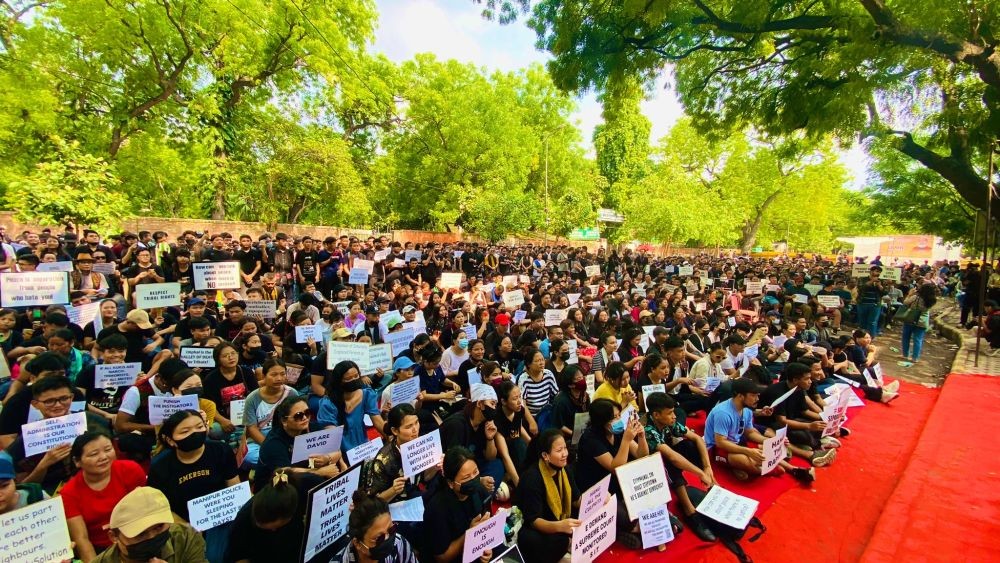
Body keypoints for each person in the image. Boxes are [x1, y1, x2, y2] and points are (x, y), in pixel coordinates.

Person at [147, 409, 239, 562]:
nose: (195, 433)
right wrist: (188, 528)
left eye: (199, 426)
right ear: (170, 440)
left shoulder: (221, 450)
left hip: (220, 517)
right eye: (185, 431)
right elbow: (161, 507)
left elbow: (233, 486)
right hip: (183, 525)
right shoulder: (160, 465)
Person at [704, 378, 815, 483]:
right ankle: (757, 468)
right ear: (740, 396)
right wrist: (748, 451)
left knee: (764, 451)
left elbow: (750, 432)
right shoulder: (723, 413)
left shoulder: (746, 410)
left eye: (757, 395)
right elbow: (720, 443)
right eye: (753, 395)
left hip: (736, 443)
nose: (757, 399)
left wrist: (773, 441)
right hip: (716, 449)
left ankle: (794, 469)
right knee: (750, 461)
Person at [574, 398, 650, 548]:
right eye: (614, 417)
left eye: (618, 415)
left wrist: (641, 437)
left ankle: (631, 528)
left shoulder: (619, 432)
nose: (618, 419)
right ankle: (622, 530)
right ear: (602, 421)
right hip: (597, 487)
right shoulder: (590, 439)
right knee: (629, 519)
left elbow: (642, 455)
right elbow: (615, 468)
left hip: (619, 483)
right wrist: (627, 441)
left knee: (646, 500)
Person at [62, 431, 146, 562]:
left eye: (108, 449)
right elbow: (81, 538)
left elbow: (146, 511)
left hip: (139, 538)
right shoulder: (69, 493)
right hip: (101, 550)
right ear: (77, 461)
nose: (103, 457)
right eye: (94, 454)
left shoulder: (131, 469)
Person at [643, 392, 716, 542]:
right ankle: (690, 512)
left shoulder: (669, 422)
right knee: (668, 463)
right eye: (669, 413)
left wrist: (707, 467)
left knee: (690, 445)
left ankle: (713, 487)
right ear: (656, 415)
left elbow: (697, 438)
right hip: (648, 469)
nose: (674, 416)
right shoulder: (648, 430)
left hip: (666, 457)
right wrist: (699, 473)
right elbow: (671, 456)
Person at [513, 429, 581, 562]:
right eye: (559, 450)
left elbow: (575, 500)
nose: (565, 454)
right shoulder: (531, 478)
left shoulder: (565, 468)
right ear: (545, 455)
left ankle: (566, 543)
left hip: (561, 519)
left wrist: (598, 498)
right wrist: (560, 526)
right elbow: (534, 521)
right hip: (538, 527)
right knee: (532, 540)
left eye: (565, 448)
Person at [92, 486, 208, 563]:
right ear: (114, 536)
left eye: (159, 527)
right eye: (140, 534)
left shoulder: (185, 538)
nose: (152, 537)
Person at [423, 446, 496, 563]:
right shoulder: (437, 509)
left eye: (475, 472)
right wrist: (470, 535)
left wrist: (487, 548)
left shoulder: (480, 490)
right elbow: (442, 557)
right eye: (466, 477)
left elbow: (487, 525)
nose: (473, 479)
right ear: (451, 483)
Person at [254, 395, 343, 489]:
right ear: (284, 421)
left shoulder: (311, 428)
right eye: (298, 416)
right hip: (276, 489)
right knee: (316, 480)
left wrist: (326, 458)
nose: (305, 418)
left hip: (303, 477)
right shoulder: (273, 443)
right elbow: (284, 472)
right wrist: (319, 472)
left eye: (307, 413)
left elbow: (337, 450)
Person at [225, 469, 305, 563]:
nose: (273, 530)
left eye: (276, 527)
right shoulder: (242, 521)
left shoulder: (297, 495)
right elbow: (238, 557)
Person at [439, 384, 502, 491]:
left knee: (496, 464)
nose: (494, 408)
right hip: (455, 473)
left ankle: (482, 493)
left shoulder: (485, 422)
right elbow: (453, 464)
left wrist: (490, 438)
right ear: (480, 404)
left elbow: (490, 457)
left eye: (495, 405)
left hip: (473, 466)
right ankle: (480, 495)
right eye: (492, 404)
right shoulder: (456, 425)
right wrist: (478, 480)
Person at [317, 360, 384, 454]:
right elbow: (332, 439)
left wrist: (390, 437)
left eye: (356, 376)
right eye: (348, 378)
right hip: (340, 452)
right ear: (339, 381)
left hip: (363, 448)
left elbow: (377, 421)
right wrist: (342, 463)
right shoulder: (328, 404)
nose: (354, 380)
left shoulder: (367, 394)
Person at [334, 489, 417, 563]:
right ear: (357, 543)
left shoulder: (399, 544)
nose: (388, 539)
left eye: (391, 529)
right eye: (379, 538)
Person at [241, 358, 297, 467]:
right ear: (264, 376)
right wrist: (271, 446)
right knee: (250, 456)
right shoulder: (252, 398)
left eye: (282, 374)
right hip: (260, 441)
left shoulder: (292, 394)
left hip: (286, 438)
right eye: (274, 375)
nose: (279, 378)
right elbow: (252, 428)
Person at [899, 283, 937, 366]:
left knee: (906, 337)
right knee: (918, 339)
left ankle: (905, 355)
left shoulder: (916, 297)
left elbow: (905, 303)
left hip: (911, 319)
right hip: (923, 321)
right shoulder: (932, 300)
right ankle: (915, 358)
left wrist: (909, 295)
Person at [515, 348, 558, 420]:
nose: (541, 363)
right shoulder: (523, 379)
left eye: (542, 359)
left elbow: (556, 395)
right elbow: (522, 403)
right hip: (530, 416)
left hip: (546, 413)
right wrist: (532, 422)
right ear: (529, 364)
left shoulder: (548, 374)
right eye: (537, 361)